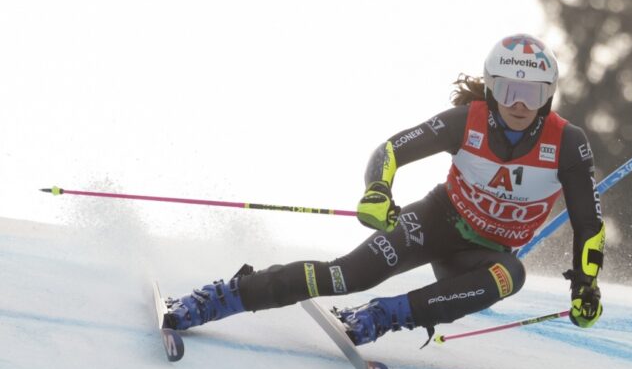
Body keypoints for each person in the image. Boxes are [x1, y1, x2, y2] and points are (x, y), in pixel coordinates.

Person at [164, 33, 607, 346]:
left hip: (481, 258)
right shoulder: (465, 122)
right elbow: (391, 150)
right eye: (509, 91)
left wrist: (586, 286)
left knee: (512, 275)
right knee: (344, 276)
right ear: (491, 89)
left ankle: (383, 315)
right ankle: (222, 297)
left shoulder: (567, 143)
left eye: (532, 93)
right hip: (433, 222)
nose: (519, 105)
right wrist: (377, 190)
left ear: (549, 95)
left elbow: (589, 223)